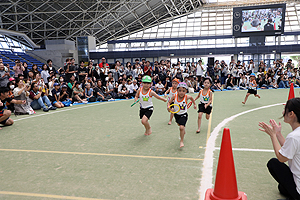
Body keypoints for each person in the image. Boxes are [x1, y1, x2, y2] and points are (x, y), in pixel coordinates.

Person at [258, 98, 300, 200]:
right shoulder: (296, 135)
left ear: (291, 114)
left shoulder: (294, 136)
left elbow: (282, 158)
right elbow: (290, 149)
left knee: (273, 163)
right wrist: (278, 133)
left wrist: (273, 136)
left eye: (285, 109)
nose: (282, 112)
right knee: (282, 188)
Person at [167, 82, 196, 148]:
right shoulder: (174, 96)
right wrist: (168, 107)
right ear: (177, 91)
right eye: (179, 90)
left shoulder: (186, 97)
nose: (181, 92)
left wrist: (194, 104)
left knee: (181, 127)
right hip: (176, 115)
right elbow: (169, 102)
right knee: (179, 125)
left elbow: (191, 98)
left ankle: (181, 141)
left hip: (184, 114)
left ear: (186, 91)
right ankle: (183, 130)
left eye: (183, 91)